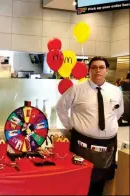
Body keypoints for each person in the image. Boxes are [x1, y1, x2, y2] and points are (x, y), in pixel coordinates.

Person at [56, 56, 124, 196]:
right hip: (82, 143)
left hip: (108, 145)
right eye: (93, 67)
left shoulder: (116, 91)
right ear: (89, 70)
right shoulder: (77, 89)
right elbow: (61, 107)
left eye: (101, 67)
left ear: (106, 70)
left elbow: (118, 112)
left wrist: (106, 129)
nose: (97, 70)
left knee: (101, 182)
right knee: (80, 180)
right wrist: (71, 127)